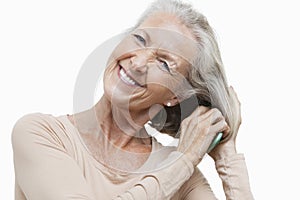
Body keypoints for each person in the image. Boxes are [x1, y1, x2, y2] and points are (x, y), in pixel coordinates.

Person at [12, 0, 254, 199]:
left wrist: (227, 155)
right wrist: (185, 158)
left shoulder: (180, 173)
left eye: (164, 63)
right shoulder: (40, 133)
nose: (137, 63)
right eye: (139, 39)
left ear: (175, 95)